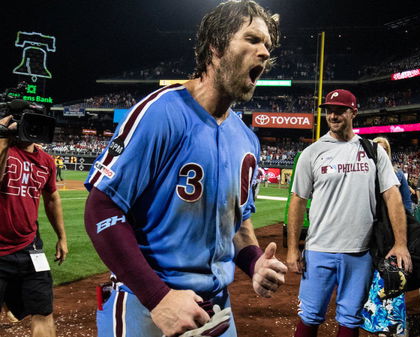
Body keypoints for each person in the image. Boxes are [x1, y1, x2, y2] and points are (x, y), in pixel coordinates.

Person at [83, 2, 287, 336]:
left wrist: (254, 263)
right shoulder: (161, 113)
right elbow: (101, 207)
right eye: (252, 39)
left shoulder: (248, 140)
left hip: (216, 307)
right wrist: (158, 298)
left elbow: (236, 221)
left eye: (267, 45)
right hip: (148, 305)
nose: (264, 52)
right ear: (216, 47)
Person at [287, 89, 412, 337]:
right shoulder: (312, 153)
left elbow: (392, 196)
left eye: (339, 110)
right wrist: (292, 248)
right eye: (328, 110)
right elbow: (297, 200)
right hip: (319, 249)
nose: (332, 115)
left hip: (360, 252)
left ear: (353, 112)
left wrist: (401, 243)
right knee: (309, 317)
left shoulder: (373, 152)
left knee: (350, 320)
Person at [0, 115, 68, 337]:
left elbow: (52, 198)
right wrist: (3, 136)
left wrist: (62, 237)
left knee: (43, 311)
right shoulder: (5, 151)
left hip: (31, 248)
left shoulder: (46, 160)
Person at [362, 136, 409, 337]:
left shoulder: (397, 175)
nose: (379, 152)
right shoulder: (363, 174)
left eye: (383, 149)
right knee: (366, 279)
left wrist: (400, 237)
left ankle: (390, 325)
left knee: (390, 277)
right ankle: (371, 322)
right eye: (376, 149)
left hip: (388, 236)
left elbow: (406, 206)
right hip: (366, 235)